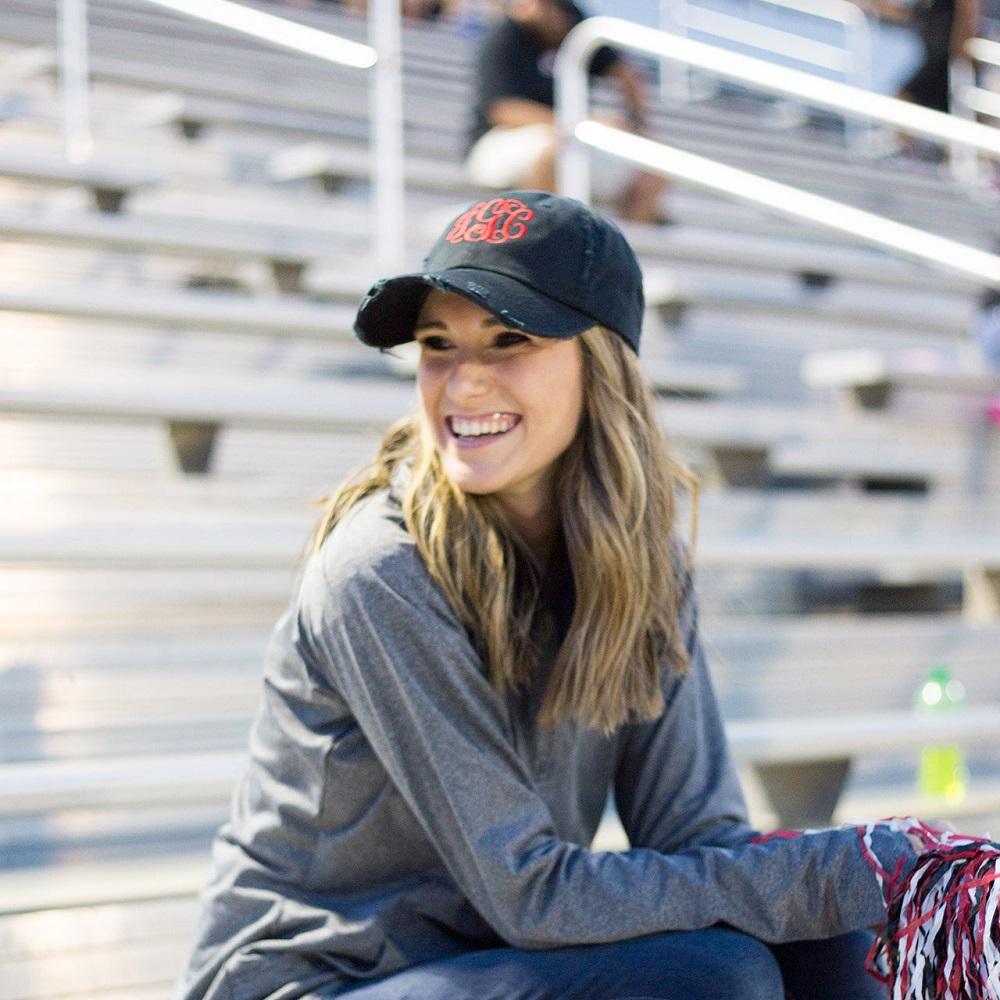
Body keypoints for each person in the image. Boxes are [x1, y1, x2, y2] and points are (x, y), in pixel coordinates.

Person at [174, 191, 977, 1000]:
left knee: (826, 948)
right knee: (714, 979)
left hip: (478, 954)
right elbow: (529, 893)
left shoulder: (641, 563)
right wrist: (857, 867)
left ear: (602, 366)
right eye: (436, 344)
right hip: (312, 979)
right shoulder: (379, 572)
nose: (462, 382)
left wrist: (846, 888)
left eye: (509, 339)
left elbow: (696, 835)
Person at [466, 0, 671, 224]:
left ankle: (623, 253)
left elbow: (626, 73)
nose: (555, 15)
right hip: (498, 141)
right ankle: (532, 239)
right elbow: (503, 111)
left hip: (568, 137)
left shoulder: (572, 20)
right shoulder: (506, 36)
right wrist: (579, 125)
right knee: (554, 154)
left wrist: (637, 124)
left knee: (652, 170)